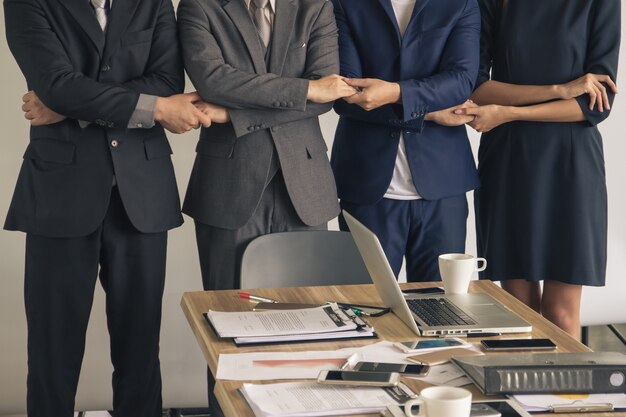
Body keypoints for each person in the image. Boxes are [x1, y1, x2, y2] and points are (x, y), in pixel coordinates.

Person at [3, 0, 212, 415]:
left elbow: (167, 79)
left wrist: (67, 105)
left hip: (143, 192)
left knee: (140, 348)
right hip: (60, 193)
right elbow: (57, 82)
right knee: (51, 352)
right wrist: (152, 107)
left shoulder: (152, 3)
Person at [176, 0, 355, 414]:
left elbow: (327, 95)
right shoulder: (199, 7)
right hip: (229, 186)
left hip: (304, 187)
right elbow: (213, 80)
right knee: (225, 326)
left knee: (310, 328)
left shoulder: (316, 7)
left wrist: (234, 115)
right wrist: (306, 88)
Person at [459, 0, 620, 339]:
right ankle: (521, 392)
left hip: (570, 164)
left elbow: (596, 104)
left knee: (561, 315)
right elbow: (476, 88)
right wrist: (559, 90)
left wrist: (510, 112)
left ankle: (565, 394)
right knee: (517, 315)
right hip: (508, 160)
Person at [330, 0, 481, 281]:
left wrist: (393, 92)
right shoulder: (346, 4)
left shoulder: (460, 3)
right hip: (367, 184)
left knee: (440, 308)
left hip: (442, 188)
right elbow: (346, 95)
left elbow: (460, 81)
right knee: (365, 310)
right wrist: (431, 114)